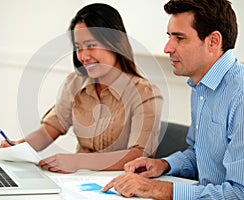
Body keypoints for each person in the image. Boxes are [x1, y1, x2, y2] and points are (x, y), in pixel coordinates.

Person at [102, 0, 244, 199]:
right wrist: (164, 165)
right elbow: (200, 155)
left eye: (179, 38)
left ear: (213, 41)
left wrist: (155, 189)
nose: (168, 48)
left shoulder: (240, 95)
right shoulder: (201, 86)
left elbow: (239, 193)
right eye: (170, 37)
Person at [0, 3, 163, 173]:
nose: (84, 56)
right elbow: (49, 130)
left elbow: (138, 156)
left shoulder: (145, 93)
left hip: (119, 185)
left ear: (115, 43)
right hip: (77, 182)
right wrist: (18, 147)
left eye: (91, 45)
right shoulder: (75, 83)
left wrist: (78, 161)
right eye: (78, 47)